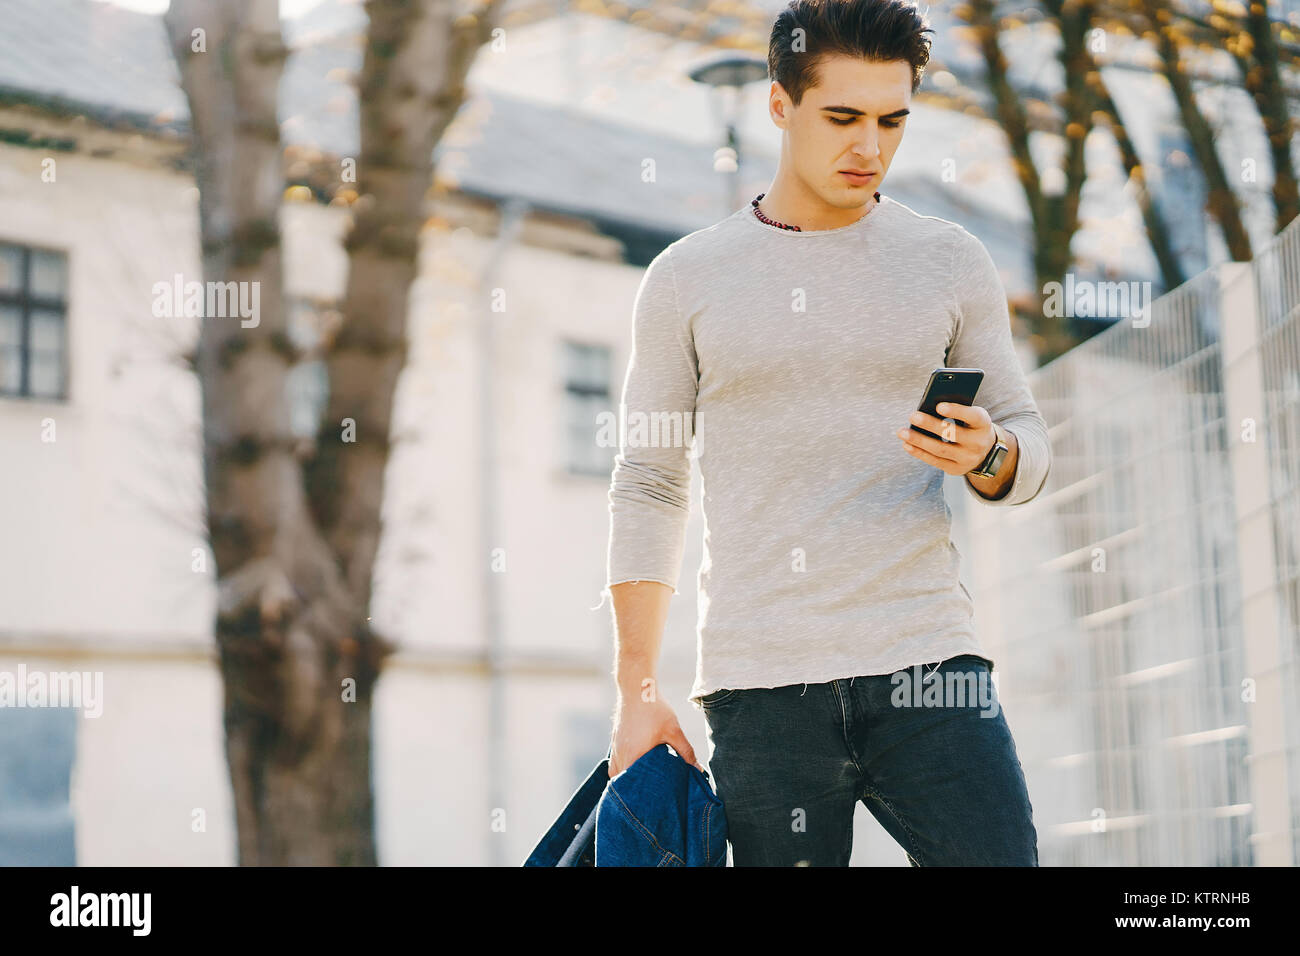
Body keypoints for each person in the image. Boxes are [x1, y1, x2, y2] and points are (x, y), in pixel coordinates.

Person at [603, 0, 1049, 866]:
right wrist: (637, 690)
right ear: (780, 104)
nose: (870, 148)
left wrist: (988, 452)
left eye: (892, 121)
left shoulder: (949, 260)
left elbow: (1026, 441)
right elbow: (649, 482)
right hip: (762, 687)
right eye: (842, 118)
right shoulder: (686, 277)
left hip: (929, 665)